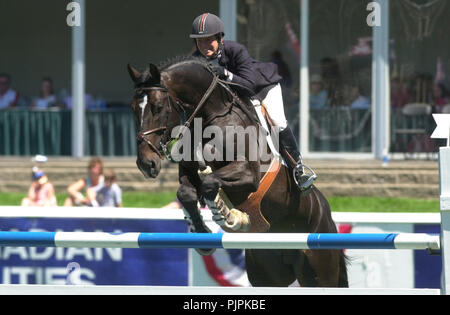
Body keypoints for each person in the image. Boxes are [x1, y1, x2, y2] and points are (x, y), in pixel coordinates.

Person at [190, 12, 316, 191]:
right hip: (235, 94)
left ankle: (298, 169)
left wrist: (226, 73)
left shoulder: (235, 50)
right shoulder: (197, 58)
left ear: (219, 38)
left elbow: (249, 85)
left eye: (208, 40)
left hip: (262, 88)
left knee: (277, 122)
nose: (203, 46)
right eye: (199, 41)